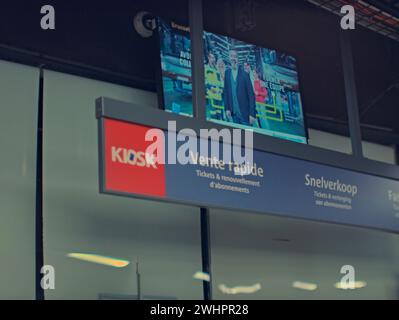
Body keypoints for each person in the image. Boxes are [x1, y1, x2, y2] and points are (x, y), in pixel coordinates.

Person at [223, 49, 256, 126]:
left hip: (246, 115)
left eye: (235, 56)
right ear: (229, 58)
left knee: (248, 137)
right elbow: (226, 92)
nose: (233, 58)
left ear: (238, 59)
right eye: (231, 56)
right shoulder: (227, 73)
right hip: (234, 114)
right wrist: (227, 108)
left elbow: (251, 95)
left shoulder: (245, 74)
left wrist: (252, 114)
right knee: (237, 137)